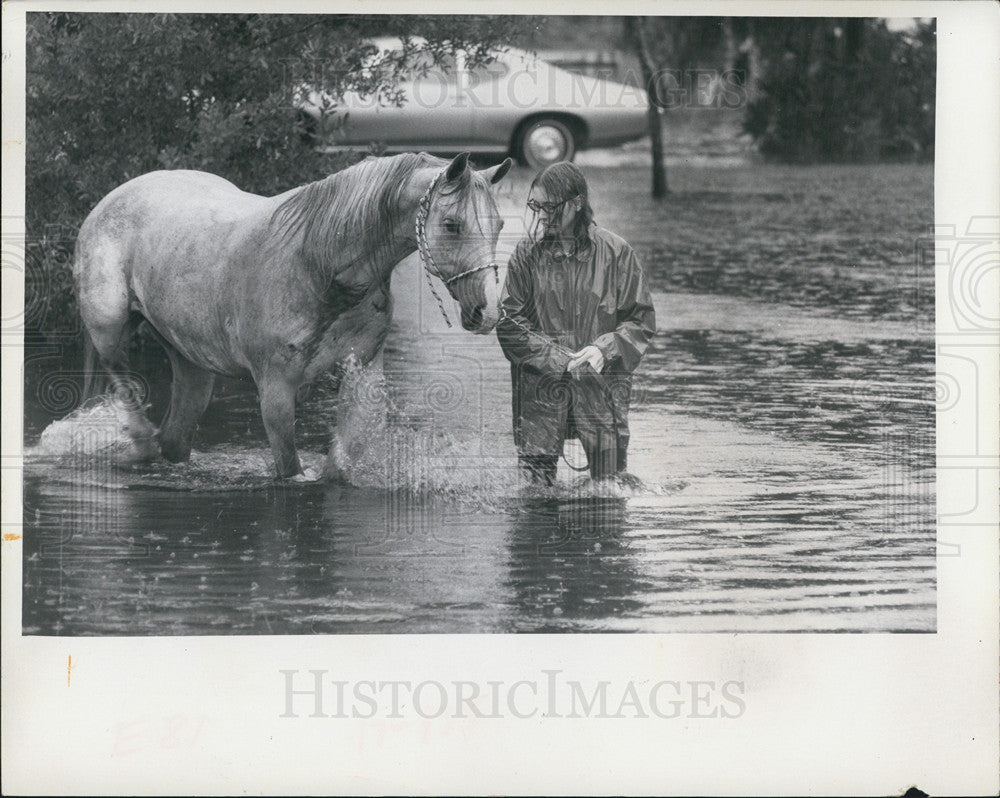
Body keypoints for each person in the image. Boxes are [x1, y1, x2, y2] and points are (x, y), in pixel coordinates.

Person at [497, 162, 656, 486]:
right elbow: (510, 324)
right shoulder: (526, 256)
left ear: (577, 203)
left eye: (549, 208)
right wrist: (561, 361)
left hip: (601, 394)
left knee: (609, 496)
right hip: (540, 396)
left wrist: (603, 350)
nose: (540, 216)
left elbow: (641, 321)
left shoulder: (617, 253)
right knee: (534, 503)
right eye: (535, 206)